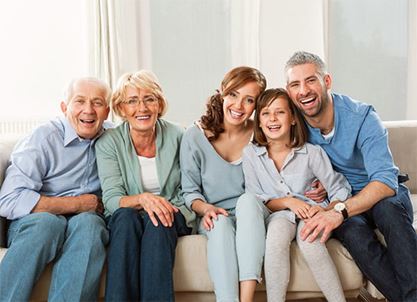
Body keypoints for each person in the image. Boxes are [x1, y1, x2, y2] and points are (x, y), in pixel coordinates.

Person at [284, 51, 417, 301]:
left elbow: (385, 181)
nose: (303, 90)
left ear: (327, 81)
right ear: (289, 91)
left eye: (311, 80)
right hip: (340, 197)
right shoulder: (291, 122)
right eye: (295, 84)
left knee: (388, 211)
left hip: (381, 194)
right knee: (354, 234)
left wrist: (340, 211)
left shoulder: (363, 117)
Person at [0, 77, 111, 301]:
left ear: (107, 111)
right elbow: (9, 199)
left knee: (90, 224)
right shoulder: (42, 138)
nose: (88, 110)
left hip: (84, 222)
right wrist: (77, 204)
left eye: (97, 103)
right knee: (48, 223)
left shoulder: (113, 139)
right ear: (64, 107)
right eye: (79, 101)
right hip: (36, 222)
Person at [95, 70, 195, 302]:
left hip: (172, 212)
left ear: (159, 104)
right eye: (132, 101)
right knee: (125, 218)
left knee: (158, 219)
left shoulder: (179, 135)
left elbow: (189, 188)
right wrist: (143, 199)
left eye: (149, 99)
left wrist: (159, 206)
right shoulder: (108, 143)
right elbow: (111, 199)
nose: (142, 108)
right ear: (121, 108)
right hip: (128, 216)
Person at [242, 88, 350, 302]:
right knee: (276, 236)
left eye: (280, 112)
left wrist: (326, 208)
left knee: (310, 240)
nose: (272, 118)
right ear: (260, 122)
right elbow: (255, 198)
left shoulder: (312, 152)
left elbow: (339, 187)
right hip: (278, 214)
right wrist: (288, 202)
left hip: (312, 212)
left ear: (292, 118)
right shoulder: (251, 154)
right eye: (265, 113)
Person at [180, 66, 267, 302]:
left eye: (249, 100)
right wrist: (205, 208)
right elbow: (189, 191)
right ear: (221, 93)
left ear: (256, 106)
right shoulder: (194, 136)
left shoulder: (261, 134)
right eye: (233, 95)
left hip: (252, 215)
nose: (239, 106)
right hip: (214, 214)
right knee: (219, 223)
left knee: (248, 201)